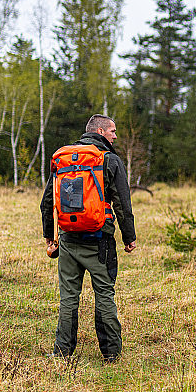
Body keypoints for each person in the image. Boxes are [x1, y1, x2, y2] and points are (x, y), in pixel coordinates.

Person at [40, 114, 137, 362]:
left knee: (68, 297)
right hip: (100, 240)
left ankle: (62, 353)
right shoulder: (110, 160)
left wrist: (49, 238)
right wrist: (129, 237)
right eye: (113, 131)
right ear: (101, 131)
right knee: (104, 293)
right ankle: (111, 354)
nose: (115, 136)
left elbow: (47, 202)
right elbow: (123, 204)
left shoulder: (64, 160)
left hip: (68, 238)